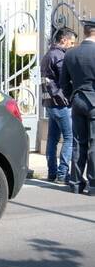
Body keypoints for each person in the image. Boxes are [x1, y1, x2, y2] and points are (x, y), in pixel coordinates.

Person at [60, 19, 95, 196]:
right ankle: (93, 184)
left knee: (78, 143)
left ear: (86, 32)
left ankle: (75, 183)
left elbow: (63, 83)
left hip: (77, 101)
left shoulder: (71, 54)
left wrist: (71, 97)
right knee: (94, 144)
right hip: (93, 101)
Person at [41, 28, 76, 183]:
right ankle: (62, 174)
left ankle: (52, 173)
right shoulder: (60, 56)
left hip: (49, 102)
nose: (72, 46)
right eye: (72, 42)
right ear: (63, 40)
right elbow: (65, 79)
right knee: (69, 138)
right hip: (60, 103)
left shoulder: (48, 54)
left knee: (52, 139)